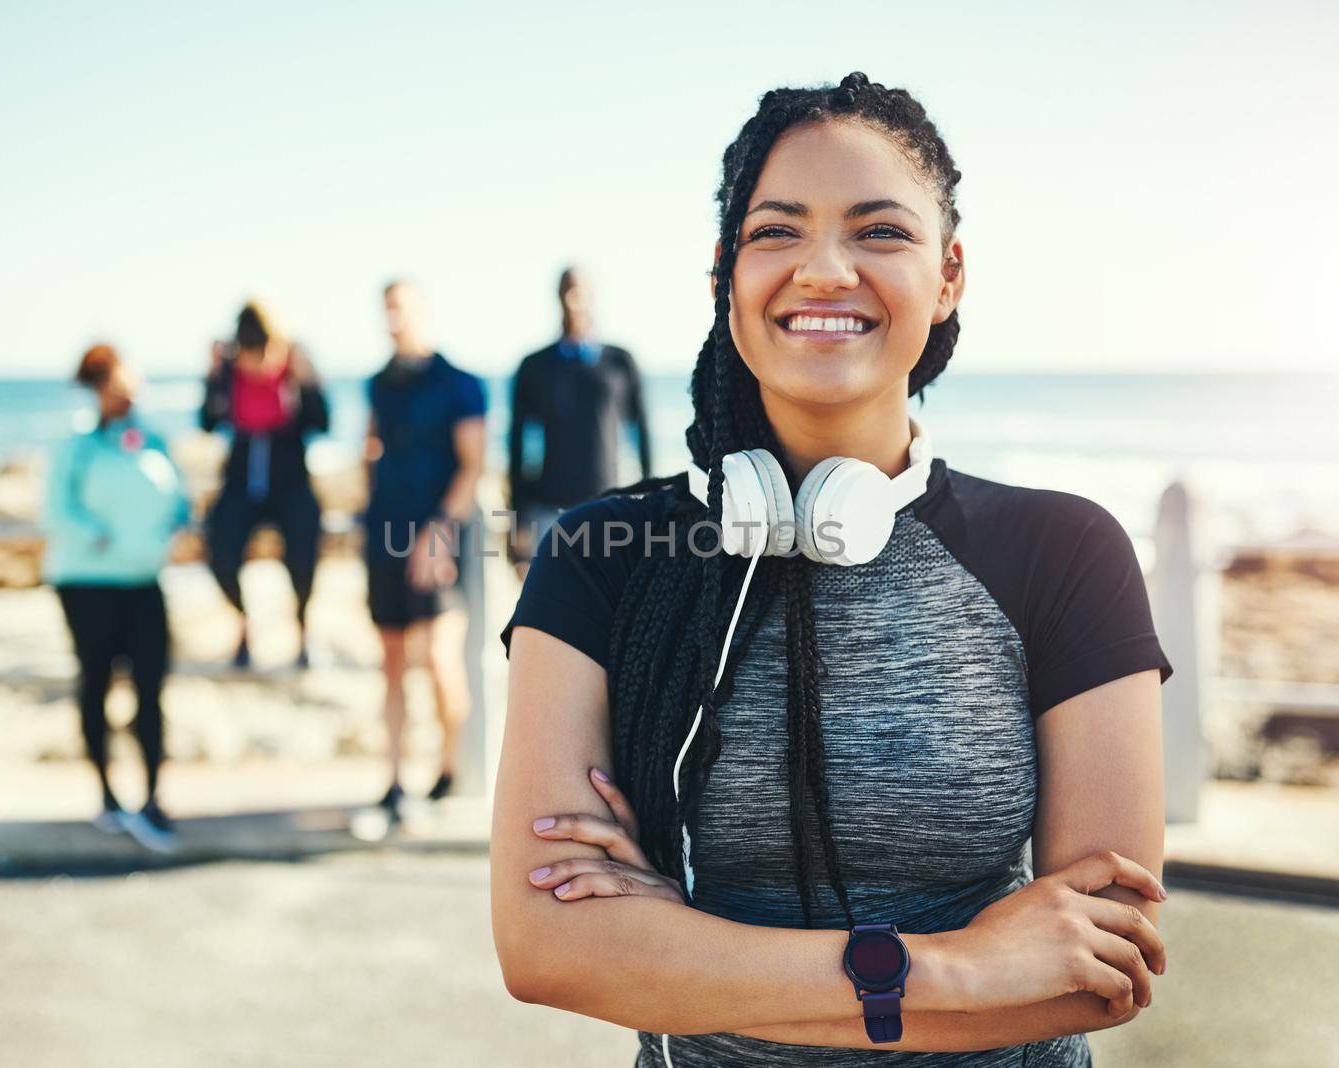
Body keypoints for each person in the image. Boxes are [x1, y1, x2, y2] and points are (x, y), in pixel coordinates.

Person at [491, 74, 1175, 1067]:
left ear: (948, 275)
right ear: (726, 273)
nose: (822, 270)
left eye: (878, 231)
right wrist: (958, 969)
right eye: (776, 231)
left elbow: (1097, 971)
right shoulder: (605, 555)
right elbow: (547, 946)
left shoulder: (1065, 551)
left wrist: (669, 958)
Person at [44, 345, 190, 854]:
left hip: (145, 583)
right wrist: (102, 537)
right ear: (99, 387)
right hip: (87, 585)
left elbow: (181, 499)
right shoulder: (77, 446)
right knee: (97, 684)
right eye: (119, 386)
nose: (128, 395)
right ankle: (107, 796)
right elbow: (56, 511)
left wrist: (168, 532)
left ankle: (153, 798)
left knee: (151, 688)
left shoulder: (152, 440)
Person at [361, 280, 487, 816]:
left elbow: (472, 465)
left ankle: (447, 772)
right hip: (384, 531)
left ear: (423, 313)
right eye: (386, 309)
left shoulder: (460, 384)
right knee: (391, 663)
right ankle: (393, 783)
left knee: (439, 659)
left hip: (442, 534)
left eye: (402, 308)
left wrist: (436, 536)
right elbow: (371, 448)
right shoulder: (377, 385)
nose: (393, 318)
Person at [199, 302, 330, 669]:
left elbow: (321, 423)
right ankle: (243, 623)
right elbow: (207, 422)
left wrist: (308, 382)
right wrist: (212, 376)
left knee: (304, 557)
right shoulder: (227, 371)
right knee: (221, 552)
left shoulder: (293, 365)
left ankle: (303, 627)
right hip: (241, 481)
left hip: (289, 479)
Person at [507, 266, 651, 577]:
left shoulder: (619, 362)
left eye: (581, 291)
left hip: (611, 505)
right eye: (567, 291)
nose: (574, 300)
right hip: (549, 508)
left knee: (612, 608)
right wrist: (517, 519)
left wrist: (655, 505)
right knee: (548, 609)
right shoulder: (535, 367)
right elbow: (516, 445)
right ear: (557, 297)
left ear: (594, 297)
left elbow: (642, 434)